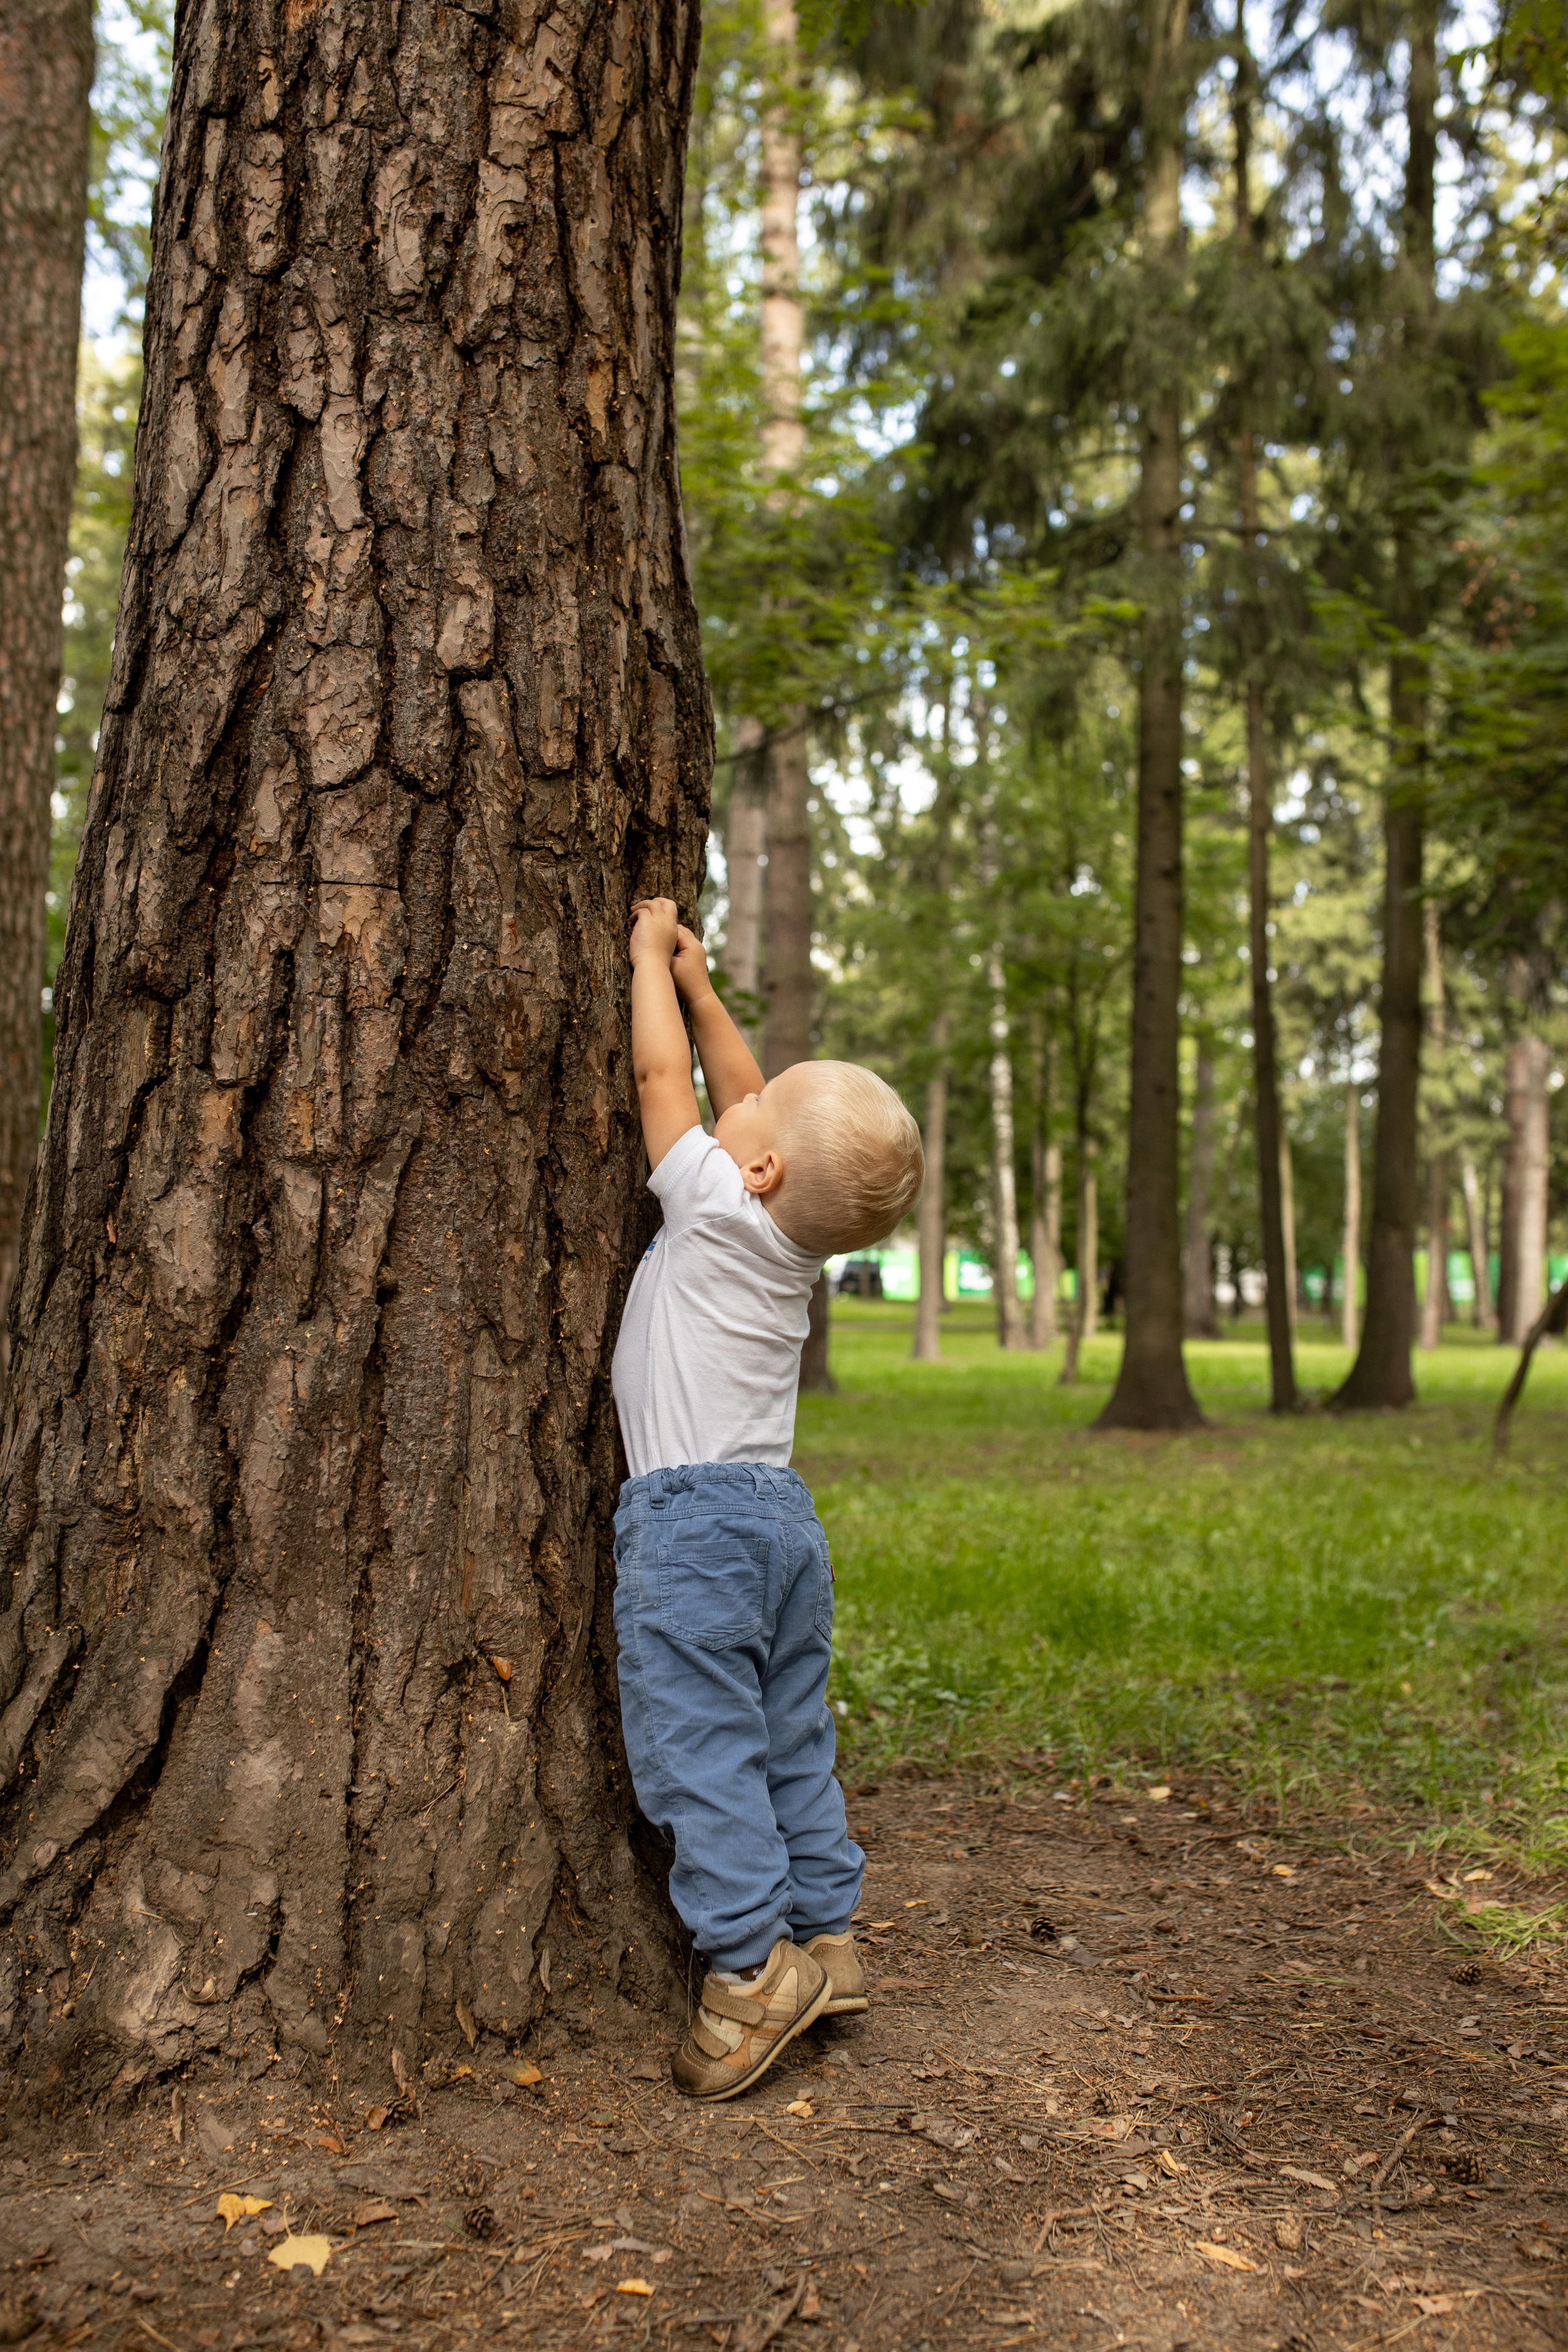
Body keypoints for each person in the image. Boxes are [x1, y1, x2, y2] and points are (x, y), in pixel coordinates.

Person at [611, 898, 924, 2100]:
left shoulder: (705, 1200)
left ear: (754, 1167)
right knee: (789, 1735)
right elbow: (742, 1094)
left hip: (689, 1529)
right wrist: (704, 993)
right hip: (781, 1525)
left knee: (700, 1751)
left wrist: (649, 963)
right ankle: (827, 1938)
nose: (730, 1089)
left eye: (749, 1105)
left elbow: (661, 1082)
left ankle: (750, 1969)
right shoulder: (794, 1245)